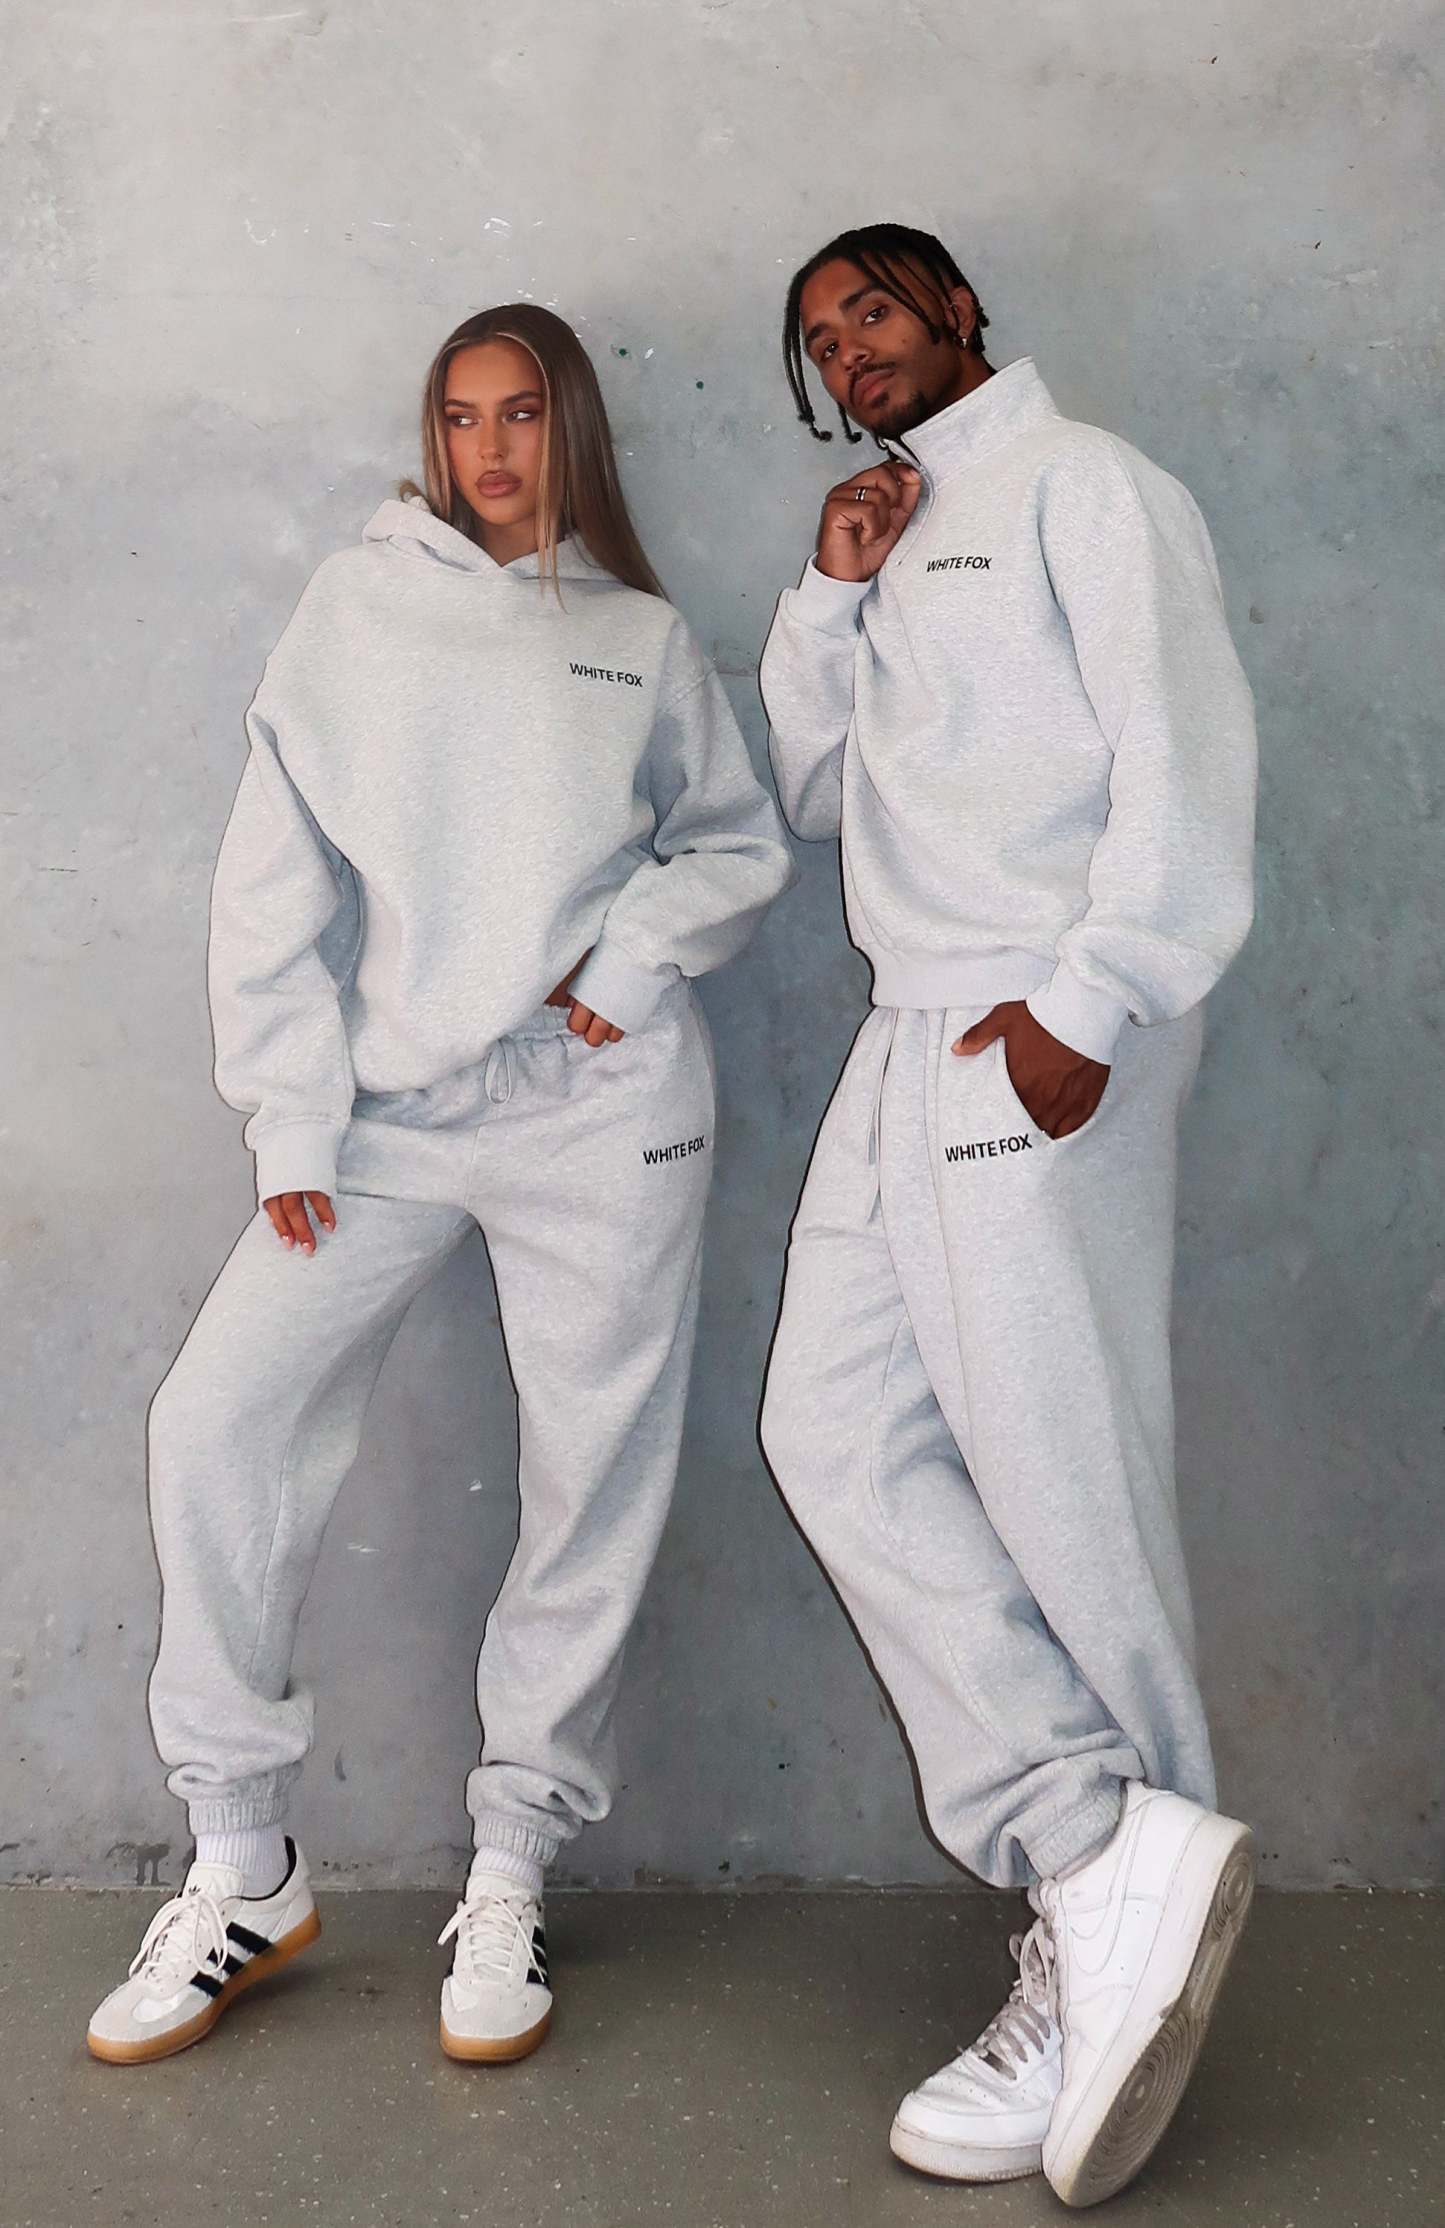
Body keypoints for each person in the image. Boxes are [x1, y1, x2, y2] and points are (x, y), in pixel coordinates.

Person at [87, 303, 793, 2069]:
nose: (488, 449)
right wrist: (293, 1123)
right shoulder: (354, 613)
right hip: (389, 1116)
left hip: (604, 1111)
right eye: (461, 416)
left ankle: (513, 1867)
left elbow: (733, 842)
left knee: (589, 1476)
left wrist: (624, 967)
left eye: (522, 414)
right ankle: (243, 1862)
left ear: (573, 433)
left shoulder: (635, 638)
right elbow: (272, 889)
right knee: (216, 1421)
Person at [757, 223, 1258, 2208]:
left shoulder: (1088, 486)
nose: (850, 352)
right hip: (907, 1029)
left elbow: (1185, 755)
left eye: (872, 310)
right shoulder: (895, 527)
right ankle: (1092, 1843)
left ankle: (1126, 1889)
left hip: (1037, 1019)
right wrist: (830, 587)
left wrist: (1096, 999)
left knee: (1059, 1473)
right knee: (828, 1429)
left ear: (957, 308)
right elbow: (812, 793)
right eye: (820, 340)